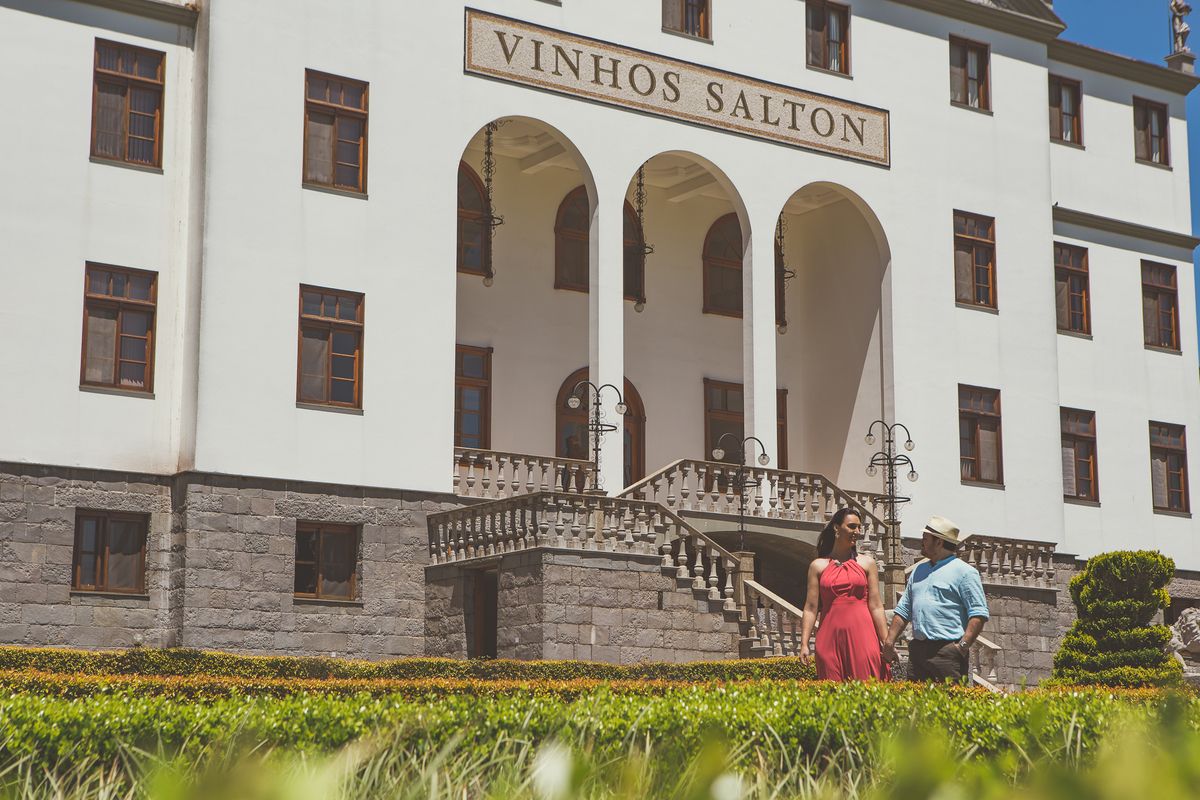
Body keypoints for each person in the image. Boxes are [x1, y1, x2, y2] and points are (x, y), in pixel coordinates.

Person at [881, 516, 989, 682]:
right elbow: (903, 610)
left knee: (950, 705)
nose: (920, 543)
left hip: (948, 653)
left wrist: (962, 647)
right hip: (917, 652)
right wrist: (889, 642)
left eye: (925, 539)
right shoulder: (918, 571)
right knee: (916, 706)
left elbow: (979, 614)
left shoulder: (965, 572)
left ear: (938, 543)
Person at [799, 507, 891, 681]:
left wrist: (886, 641)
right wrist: (804, 644)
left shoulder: (867, 562)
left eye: (858, 527)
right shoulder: (818, 566)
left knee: (867, 690)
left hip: (863, 634)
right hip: (829, 637)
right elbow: (810, 609)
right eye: (851, 526)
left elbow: (876, 605)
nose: (856, 532)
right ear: (836, 528)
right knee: (832, 695)